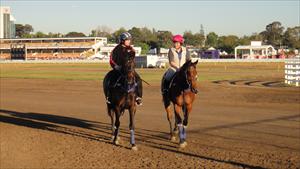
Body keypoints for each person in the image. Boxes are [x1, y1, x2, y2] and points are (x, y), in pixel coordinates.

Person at [105, 32, 143, 105]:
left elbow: (133, 59)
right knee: (110, 79)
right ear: (122, 40)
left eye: (129, 40)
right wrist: (116, 66)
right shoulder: (116, 49)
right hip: (118, 70)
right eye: (127, 40)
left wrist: (131, 66)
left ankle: (139, 97)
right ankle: (109, 97)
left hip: (129, 70)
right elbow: (111, 60)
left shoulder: (131, 49)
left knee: (138, 79)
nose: (129, 41)